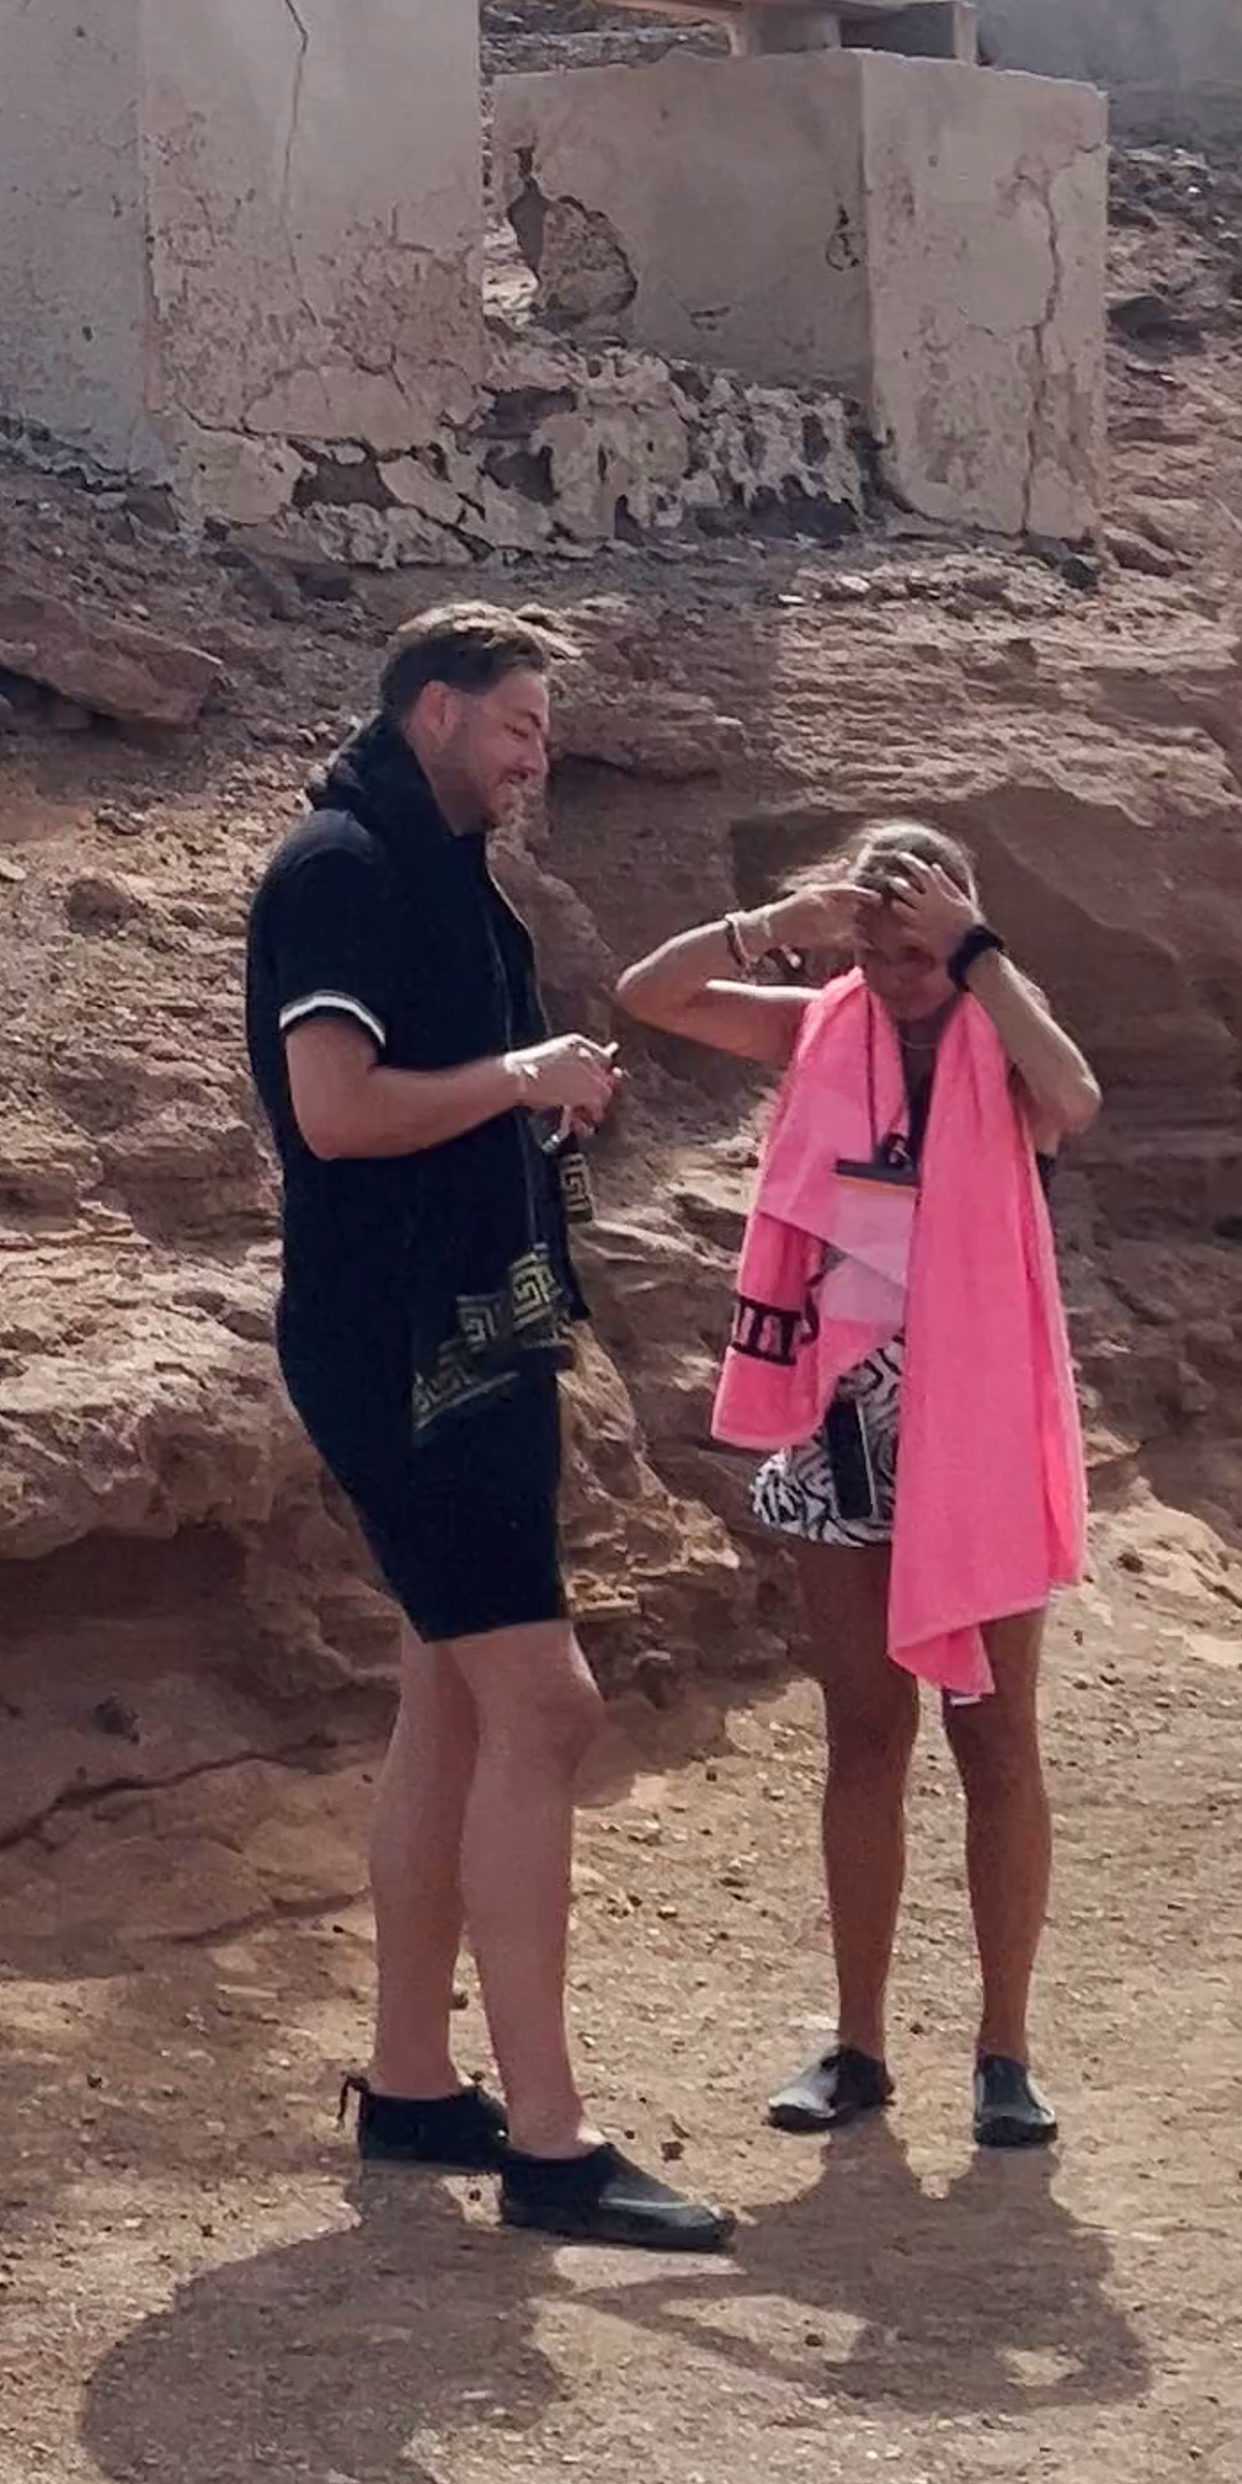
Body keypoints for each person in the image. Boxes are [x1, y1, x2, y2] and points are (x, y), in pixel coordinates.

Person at [248, 595, 728, 2253]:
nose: (536, 761)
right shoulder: (343, 868)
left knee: (450, 1700)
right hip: (408, 1351)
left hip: (468, 1331)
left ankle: (409, 2084)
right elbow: (333, 1109)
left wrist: (543, 1081)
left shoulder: (438, 866)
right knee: (551, 1708)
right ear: (437, 709)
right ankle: (549, 2140)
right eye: (518, 727)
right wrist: (523, 1077)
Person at [620, 818, 1099, 2146]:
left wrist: (977, 953)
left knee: (995, 1737)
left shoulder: (1001, 1027)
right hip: (840, 1418)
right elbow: (647, 994)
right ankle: (858, 2043)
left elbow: (1077, 1092)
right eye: (876, 948)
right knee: (866, 1732)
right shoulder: (825, 1016)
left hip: (980, 1418)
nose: (892, 972)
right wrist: (787, 919)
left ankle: (1005, 2050)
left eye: (914, 949)